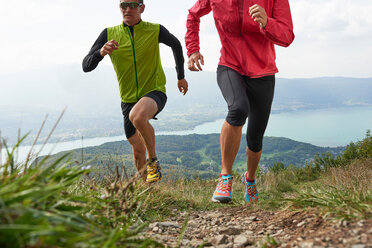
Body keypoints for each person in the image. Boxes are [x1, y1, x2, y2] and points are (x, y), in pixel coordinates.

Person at [185, 0, 294, 203]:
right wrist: (192, 49)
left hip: (263, 72)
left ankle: (250, 180)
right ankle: (225, 178)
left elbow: (287, 36)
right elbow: (193, 15)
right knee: (237, 109)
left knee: (255, 138)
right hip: (230, 65)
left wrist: (267, 22)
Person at [83, 0, 188, 183]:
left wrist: (180, 76)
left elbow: (176, 45)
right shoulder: (109, 34)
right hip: (127, 98)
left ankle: (153, 160)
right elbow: (86, 65)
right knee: (137, 149)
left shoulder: (155, 30)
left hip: (154, 91)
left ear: (142, 8)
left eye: (132, 5)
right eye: (123, 5)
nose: (127, 9)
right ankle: (147, 190)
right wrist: (101, 52)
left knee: (138, 117)